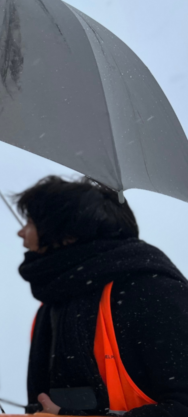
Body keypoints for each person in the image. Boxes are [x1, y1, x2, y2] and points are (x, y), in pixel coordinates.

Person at [17, 176, 188, 417]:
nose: (20, 232)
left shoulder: (153, 292)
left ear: (68, 235)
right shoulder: (54, 303)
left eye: (31, 222)